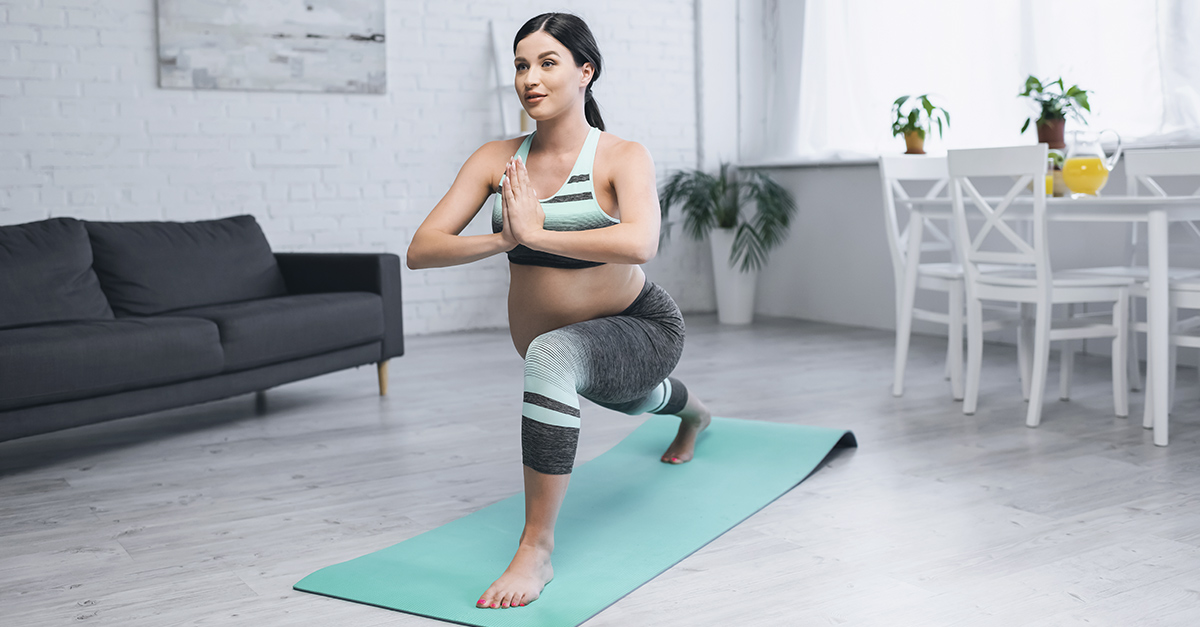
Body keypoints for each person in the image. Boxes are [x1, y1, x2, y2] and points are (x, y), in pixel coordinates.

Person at [406, 12, 712, 610]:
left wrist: (537, 234)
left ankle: (536, 548)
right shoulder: (498, 159)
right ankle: (695, 414)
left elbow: (641, 243)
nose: (531, 78)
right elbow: (421, 250)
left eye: (548, 63)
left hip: (642, 326)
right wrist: (503, 239)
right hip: (576, 350)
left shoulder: (620, 155)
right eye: (522, 65)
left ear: (585, 72)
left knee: (557, 360)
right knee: (635, 397)